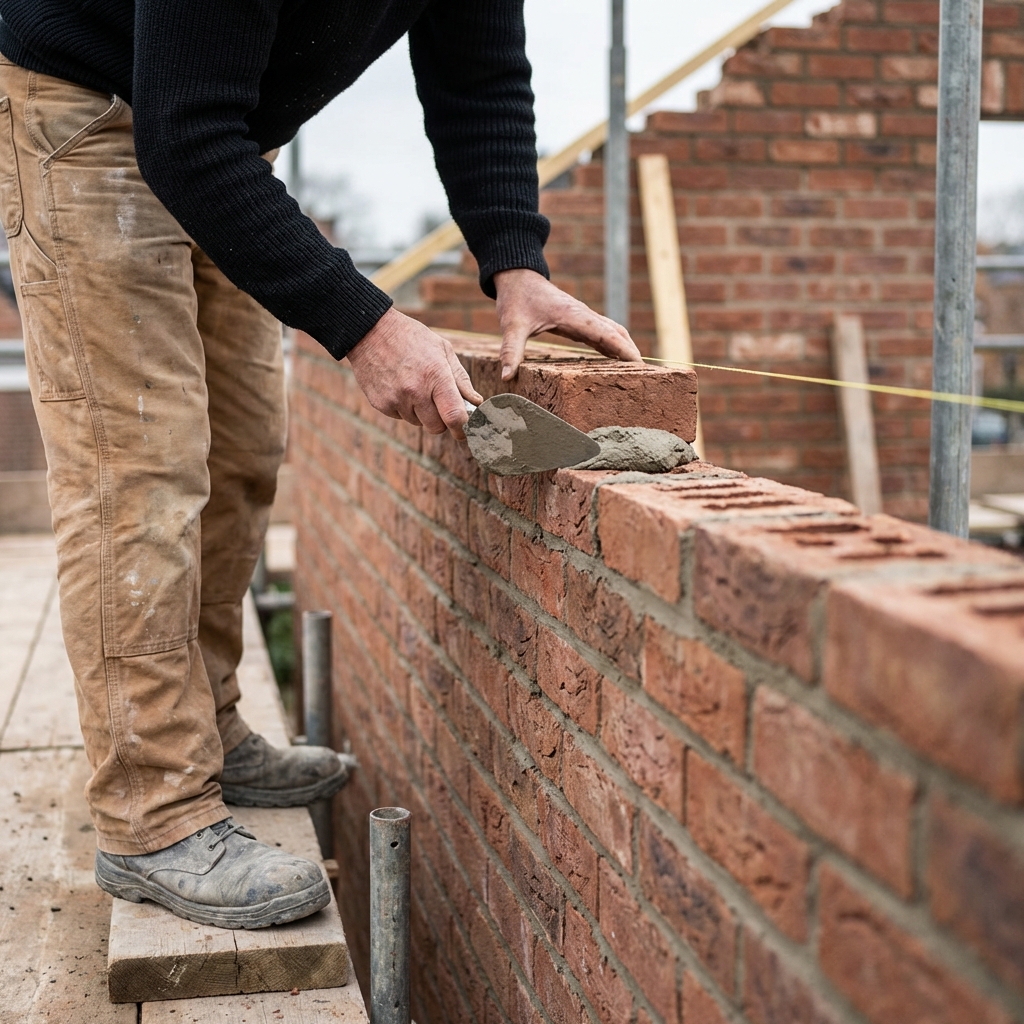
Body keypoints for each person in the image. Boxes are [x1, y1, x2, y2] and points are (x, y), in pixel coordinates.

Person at [0, 0, 642, 929]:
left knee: (244, 449)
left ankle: (206, 732)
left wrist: (514, 256)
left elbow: (479, 74)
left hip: (222, 134)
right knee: (137, 467)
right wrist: (366, 327)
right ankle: (153, 812)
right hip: (88, 111)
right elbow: (180, 137)